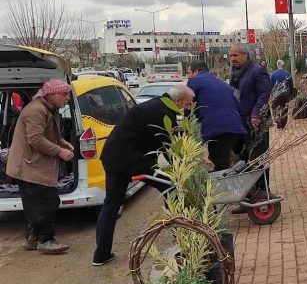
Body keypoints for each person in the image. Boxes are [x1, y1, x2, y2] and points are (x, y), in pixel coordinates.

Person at [92, 85, 194, 266]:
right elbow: (167, 146)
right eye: (186, 104)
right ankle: (182, 241)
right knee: (171, 187)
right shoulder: (163, 112)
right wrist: (179, 170)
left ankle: (101, 254)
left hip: (113, 157)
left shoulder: (154, 105)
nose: (186, 108)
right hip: (133, 159)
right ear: (177, 100)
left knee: (111, 203)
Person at [7, 80, 75, 254]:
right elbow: (35, 139)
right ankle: (46, 240)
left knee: (33, 205)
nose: (67, 98)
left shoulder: (45, 108)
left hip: (30, 166)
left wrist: (62, 142)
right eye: (64, 94)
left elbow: (48, 133)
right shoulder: (36, 111)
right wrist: (59, 151)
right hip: (30, 167)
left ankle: (33, 238)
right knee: (48, 203)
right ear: (52, 95)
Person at [229, 44, 274, 214]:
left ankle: (262, 195)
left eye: (235, 55)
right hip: (241, 121)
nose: (232, 58)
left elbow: (264, 94)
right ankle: (248, 198)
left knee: (258, 159)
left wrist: (255, 114)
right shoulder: (235, 72)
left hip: (256, 122)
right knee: (245, 159)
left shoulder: (257, 71)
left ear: (245, 55)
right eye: (231, 56)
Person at [186, 61, 247, 172]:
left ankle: (225, 188)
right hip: (236, 128)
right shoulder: (223, 84)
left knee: (220, 167)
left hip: (217, 131)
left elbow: (188, 105)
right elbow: (239, 108)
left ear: (196, 72)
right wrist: (245, 132)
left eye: (188, 73)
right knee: (232, 162)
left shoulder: (194, 82)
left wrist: (188, 128)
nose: (187, 76)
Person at [270, 60, 294, 130]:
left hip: (276, 94)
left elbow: (271, 85)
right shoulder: (288, 73)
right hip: (286, 94)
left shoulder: (273, 74)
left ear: (277, 65)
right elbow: (291, 85)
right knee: (284, 109)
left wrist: (271, 94)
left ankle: (278, 122)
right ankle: (283, 124)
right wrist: (291, 94)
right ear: (283, 65)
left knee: (275, 109)